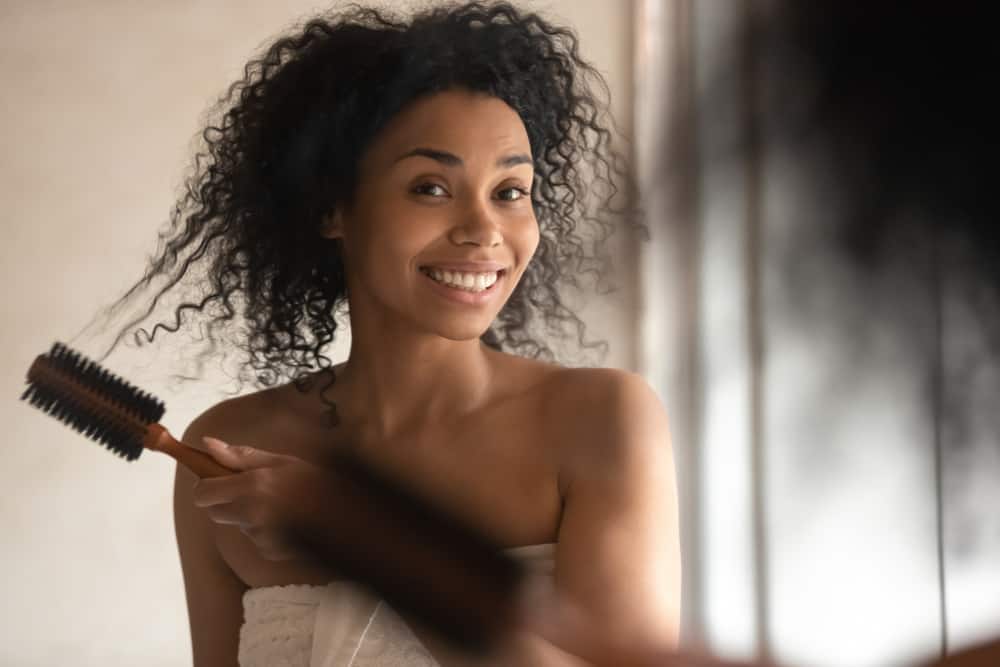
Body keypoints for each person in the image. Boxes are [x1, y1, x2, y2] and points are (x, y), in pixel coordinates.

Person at [100, 2, 680, 665]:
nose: (484, 229)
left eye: (511, 191)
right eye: (431, 187)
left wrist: (356, 538)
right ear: (331, 207)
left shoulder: (600, 421)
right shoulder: (227, 451)